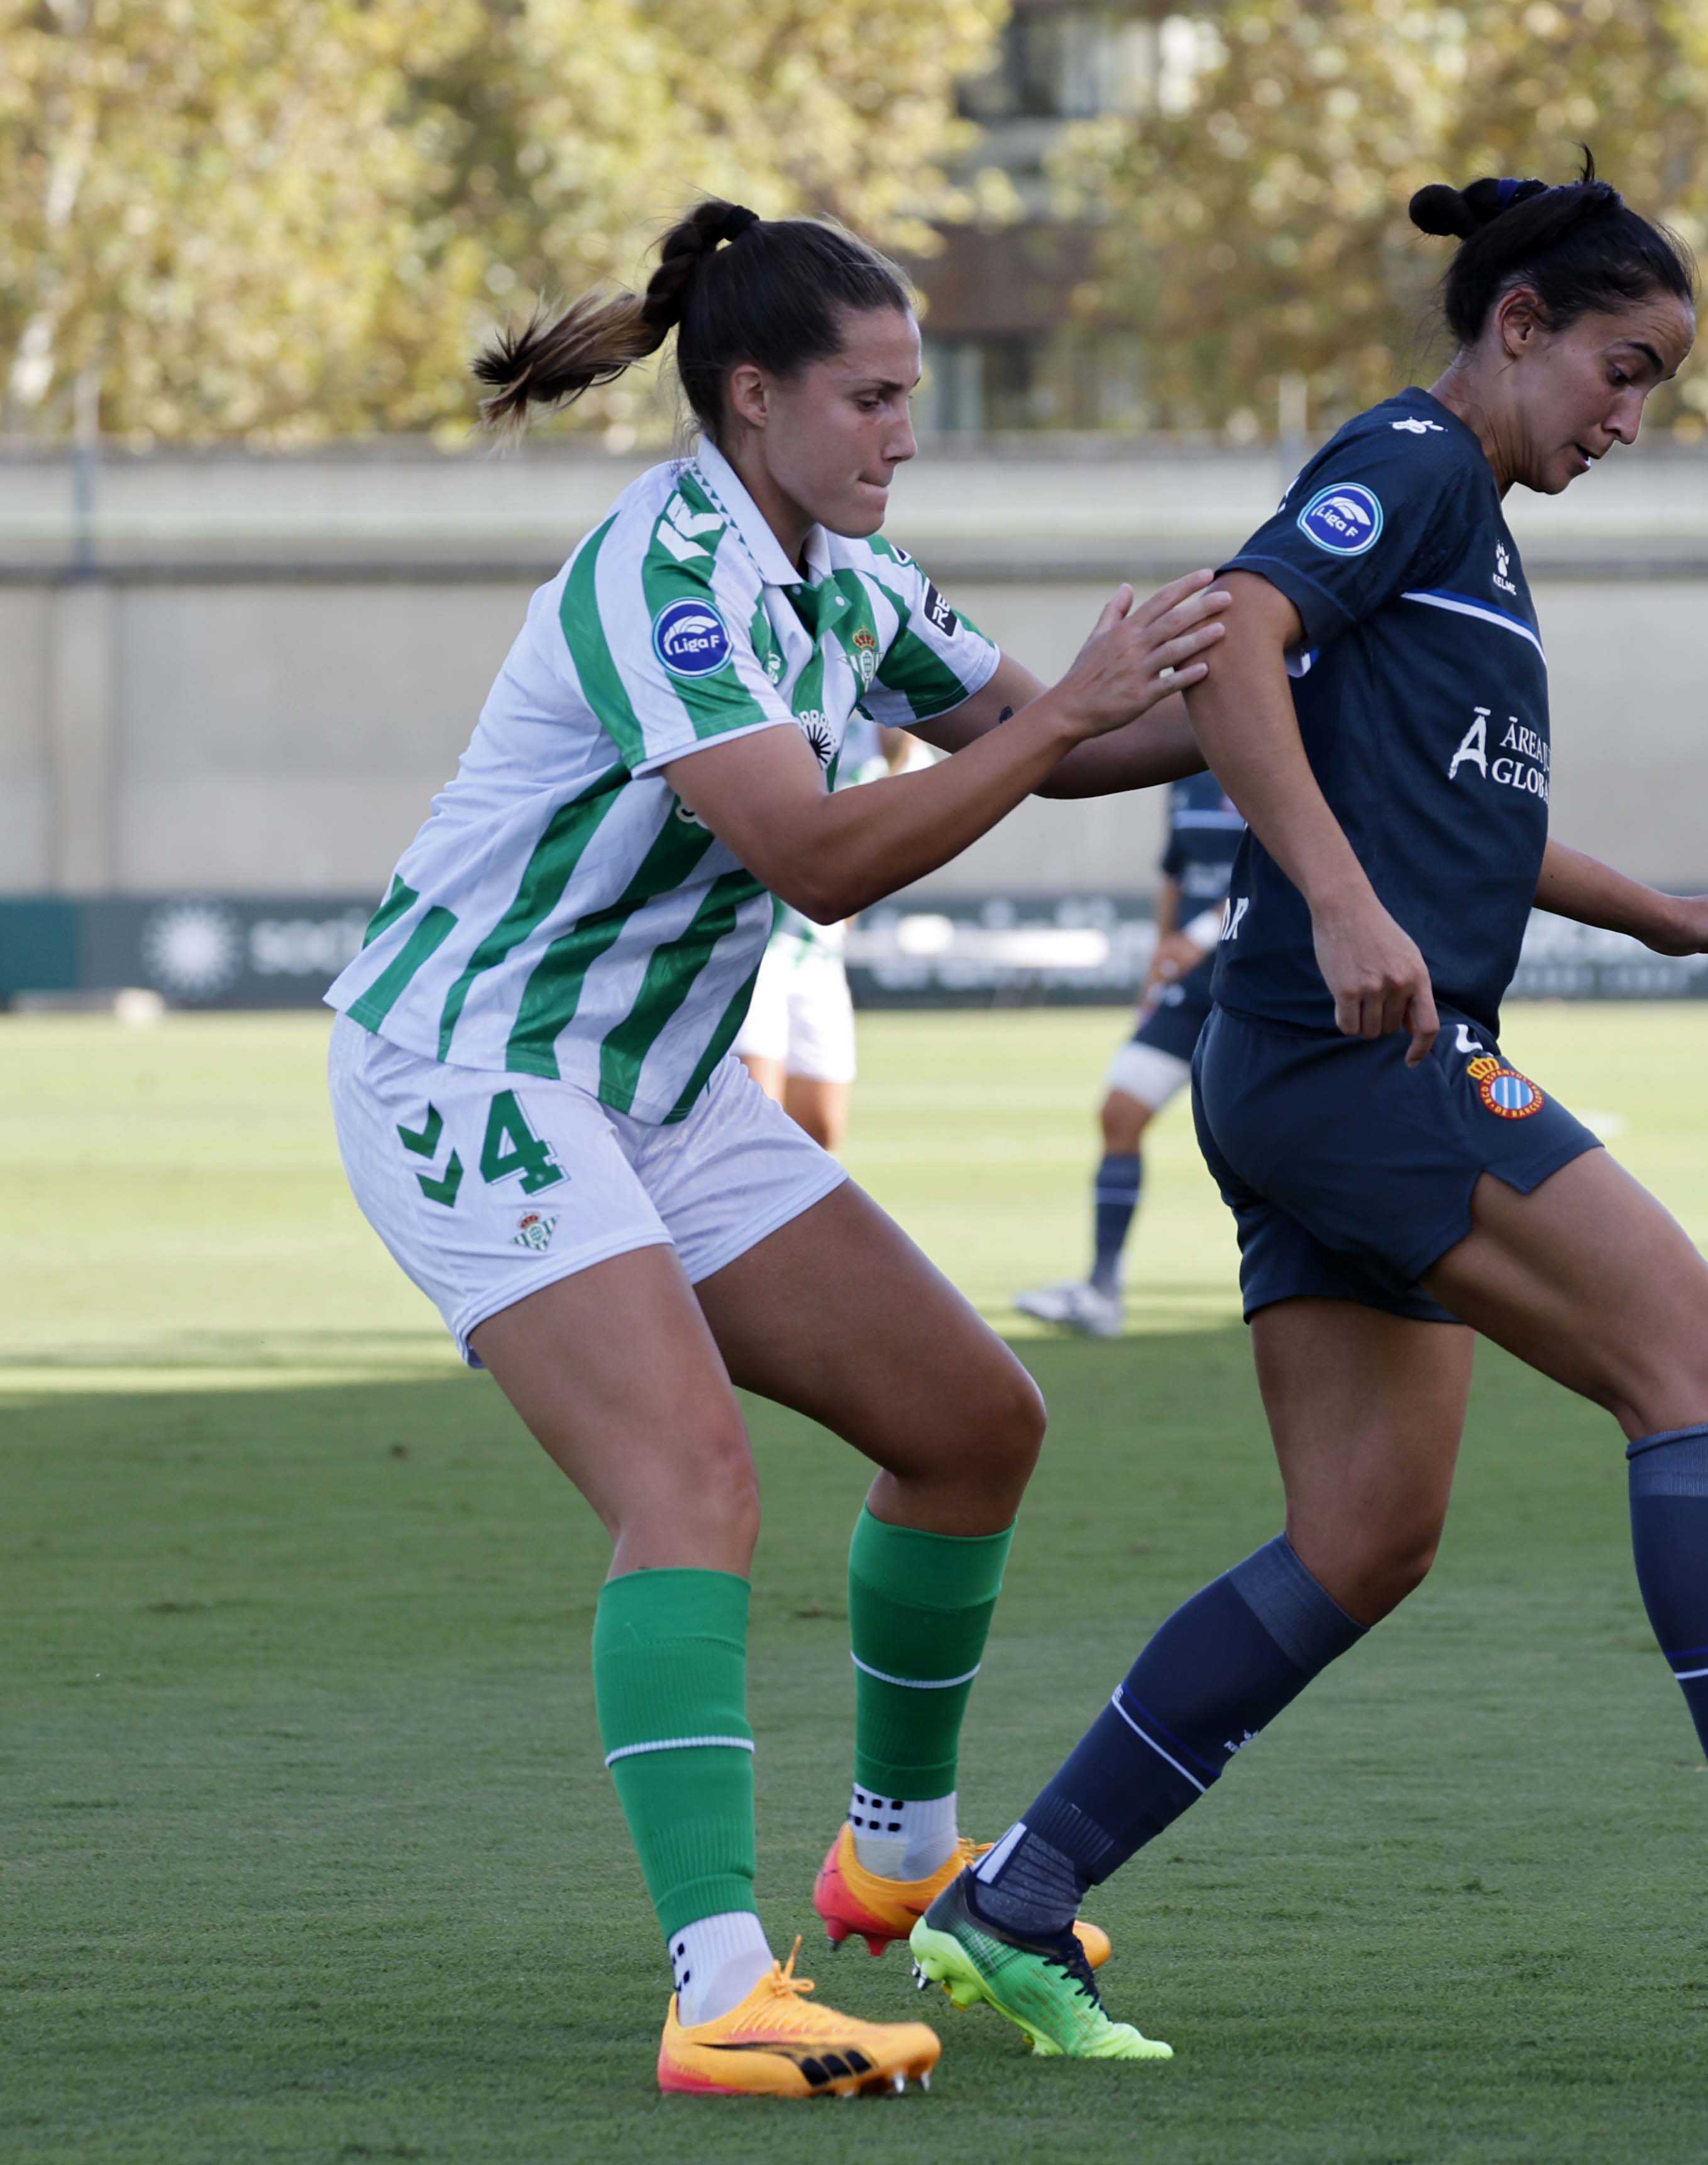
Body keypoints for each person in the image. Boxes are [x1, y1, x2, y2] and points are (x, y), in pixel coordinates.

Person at [910, 163, 1708, 2064]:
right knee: (1695, 1360)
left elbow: (1413, 796)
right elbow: (1256, 644)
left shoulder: (1474, 538)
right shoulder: (1415, 462)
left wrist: (1666, 913)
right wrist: (1345, 897)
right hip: (1353, 1046)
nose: (1630, 419)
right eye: (1621, 370)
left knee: (1364, 1533)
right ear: (1515, 324)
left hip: (1298, 1063)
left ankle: (1015, 1899)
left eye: (1658, 390)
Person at [321, 201, 1229, 2098]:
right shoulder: (669, 573)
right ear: (755, 398)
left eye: (910, 399)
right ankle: (722, 1982)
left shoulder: (847, 571)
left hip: (652, 1088)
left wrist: (1259, 666)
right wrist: (1066, 704)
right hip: (471, 1072)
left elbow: (1044, 740)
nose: (907, 432)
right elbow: (816, 854)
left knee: (973, 1422)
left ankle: (895, 1863)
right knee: (693, 1480)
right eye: (874, 398)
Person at [1015, 770, 1247, 1336]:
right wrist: (1159, 957)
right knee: (1120, 1112)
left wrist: (1195, 940)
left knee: (1276, 1141)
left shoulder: (1288, 748)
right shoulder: (1189, 773)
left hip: (1253, 983)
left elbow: (1283, 868)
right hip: (1186, 993)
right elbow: (1175, 871)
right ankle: (1101, 1290)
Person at [732, 713, 923, 1149]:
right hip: (757, 947)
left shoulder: (916, 761)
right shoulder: (828, 721)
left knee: (821, 1130)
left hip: (819, 955)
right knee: (754, 1126)